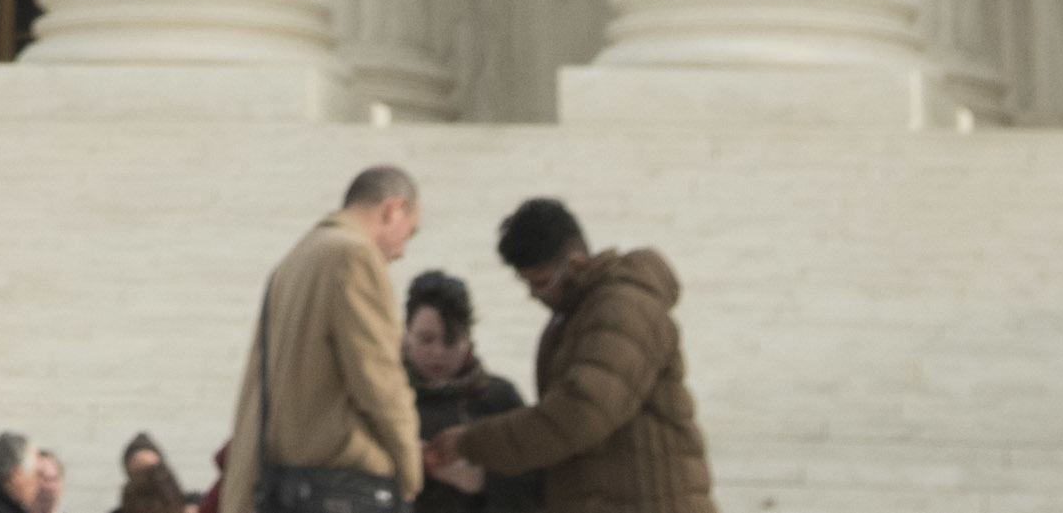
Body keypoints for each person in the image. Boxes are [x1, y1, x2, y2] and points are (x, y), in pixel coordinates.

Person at [425, 198, 712, 510]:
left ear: (575, 264)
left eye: (541, 283)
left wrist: (472, 443)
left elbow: (579, 413)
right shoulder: (577, 314)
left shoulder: (624, 309)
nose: (534, 295)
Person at [214, 165, 420, 513]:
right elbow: (378, 378)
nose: (402, 252)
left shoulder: (296, 259)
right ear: (393, 209)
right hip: (339, 486)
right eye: (410, 233)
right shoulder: (354, 255)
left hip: (287, 486)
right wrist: (409, 467)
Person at [398, 269, 518, 448]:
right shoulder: (384, 396)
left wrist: (481, 476)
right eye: (426, 340)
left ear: (468, 339)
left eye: (451, 341)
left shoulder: (499, 398)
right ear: (407, 335)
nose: (438, 352)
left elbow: (533, 470)